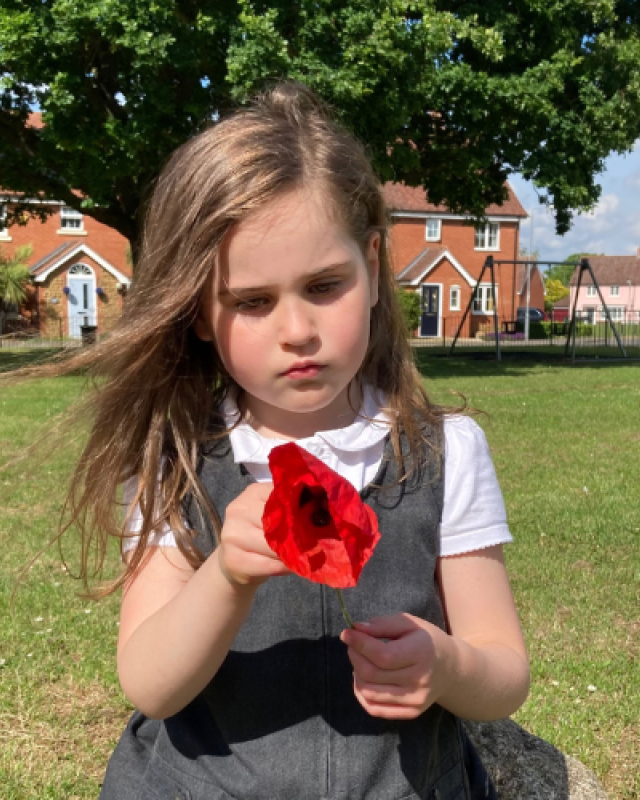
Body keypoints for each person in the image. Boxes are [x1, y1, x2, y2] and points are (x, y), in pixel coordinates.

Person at [74, 81, 530, 799]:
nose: (297, 331)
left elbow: (504, 670)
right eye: (252, 302)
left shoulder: (445, 452)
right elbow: (150, 683)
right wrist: (225, 574)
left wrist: (445, 666)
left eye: (325, 286)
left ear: (373, 266)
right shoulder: (180, 460)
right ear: (197, 312)